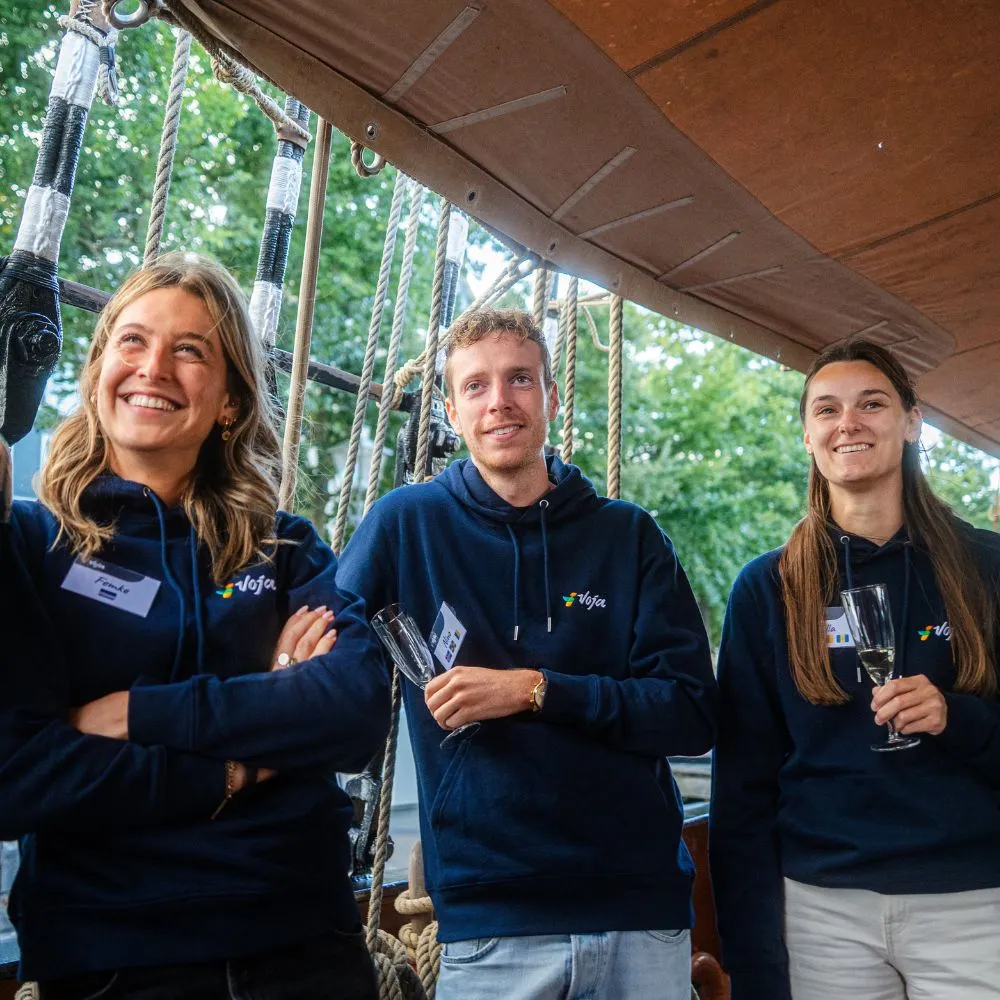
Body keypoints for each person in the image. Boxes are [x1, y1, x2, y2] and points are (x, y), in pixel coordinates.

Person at [0, 253, 390, 998]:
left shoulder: (284, 549)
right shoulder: (29, 546)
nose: (154, 368)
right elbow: (17, 774)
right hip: (111, 961)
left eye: (190, 350)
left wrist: (139, 711)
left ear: (230, 402)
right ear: (98, 370)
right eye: (133, 342)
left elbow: (353, 712)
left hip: (305, 945)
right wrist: (240, 761)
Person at [337, 307, 717, 1000]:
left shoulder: (627, 537)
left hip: (638, 910)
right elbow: (328, 658)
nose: (499, 402)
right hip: (491, 922)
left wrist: (534, 689)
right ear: (451, 411)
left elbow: (691, 713)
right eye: (476, 386)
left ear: (550, 395)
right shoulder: (405, 524)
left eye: (518, 379)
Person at [710, 340, 1000, 1000]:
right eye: (827, 409)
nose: (850, 423)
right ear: (807, 435)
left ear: (913, 420)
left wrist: (960, 717)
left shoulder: (987, 568)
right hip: (822, 911)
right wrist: (753, 961)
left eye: (872, 403)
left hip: (972, 900)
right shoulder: (768, 587)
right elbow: (743, 791)